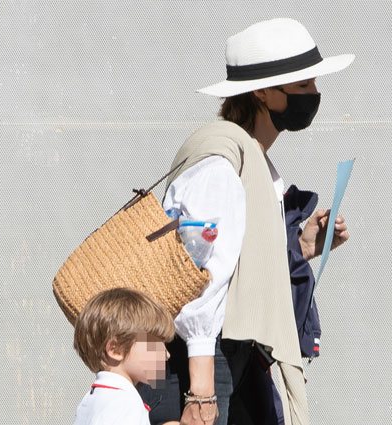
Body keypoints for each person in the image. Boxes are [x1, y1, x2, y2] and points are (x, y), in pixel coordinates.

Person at [137, 18, 354, 425]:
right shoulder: (221, 164)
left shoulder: (254, 164)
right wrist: (201, 394)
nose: (315, 95)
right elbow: (198, 276)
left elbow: (239, 264)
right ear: (262, 92)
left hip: (233, 354)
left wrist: (301, 247)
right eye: (303, 85)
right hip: (198, 358)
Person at [73, 288, 175, 425]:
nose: (166, 354)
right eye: (154, 343)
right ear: (115, 350)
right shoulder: (125, 402)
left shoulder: (91, 399)